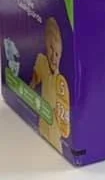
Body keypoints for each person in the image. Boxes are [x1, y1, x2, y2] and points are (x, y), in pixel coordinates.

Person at [30, 18, 65, 149]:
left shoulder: (60, 79)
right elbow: (32, 83)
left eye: (57, 54)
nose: (54, 58)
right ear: (46, 45)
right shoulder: (42, 62)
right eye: (51, 50)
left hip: (56, 134)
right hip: (42, 124)